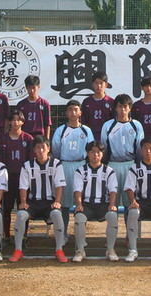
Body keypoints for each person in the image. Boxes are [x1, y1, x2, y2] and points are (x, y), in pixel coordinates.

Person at [10, 135, 68, 263]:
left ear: (48, 149)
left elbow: (60, 185)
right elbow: (23, 186)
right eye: (38, 148)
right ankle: (18, 250)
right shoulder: (27, 166)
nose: (41, 151)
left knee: (57, 214)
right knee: (20, 215)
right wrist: (23, 202)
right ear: (34, 150)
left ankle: (59, 249)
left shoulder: (56, 164)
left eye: (43, 147)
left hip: (49, 203)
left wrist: (57, 202)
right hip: (33, 203)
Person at [51, 100, 94, 243]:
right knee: (64, 203)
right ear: (66, 112)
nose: (73, 112)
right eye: (70, 109)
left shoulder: (86, 130)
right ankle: (63, 234)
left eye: (76, 109)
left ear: (80, 112)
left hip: (81, 166)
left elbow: (91, 149)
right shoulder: (60, 130)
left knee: (81, 201)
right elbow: (56, 150)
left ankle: (81, 236)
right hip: (65, 166)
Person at [72, 141, 119, 262]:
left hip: (103, 204)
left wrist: (112, 205)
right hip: (86, 205)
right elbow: (77, 190)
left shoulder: (109, 171)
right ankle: (80, 250)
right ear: (88, 153)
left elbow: (113, 190)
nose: (95, 155)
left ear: (102, 154)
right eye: (92, 152)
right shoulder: (80, 171)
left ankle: (110, 249)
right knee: (79, 217)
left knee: (113, 216)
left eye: (98, 152)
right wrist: (79, 204)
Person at [100, 94, 144, 206]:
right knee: (112, 200)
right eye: (120, 107)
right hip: (112, 165)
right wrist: (105, 165)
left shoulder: (136, 125)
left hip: (130, 165)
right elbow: (104, 148)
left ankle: (130, 218)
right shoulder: (107, 125)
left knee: (130, 201)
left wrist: (138, 166)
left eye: (125, 107)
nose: (123, 110)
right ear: (115, 108)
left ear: (130, 108)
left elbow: (139, 148)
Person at [0, 110, 33, 240]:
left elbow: (30, 161)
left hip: (23, 179)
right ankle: (6, 235)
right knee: (6, 207)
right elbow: (0, 162)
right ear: (9, 122)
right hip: (8, 178)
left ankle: (24, 236)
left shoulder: (28, 139)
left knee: (23, 206)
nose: (16, 122)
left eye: (18, 120)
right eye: (13, 119)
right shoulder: (3, 139)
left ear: (23, 122)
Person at [81, 71, 114, 142]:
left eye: (101, 83)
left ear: (106, 85)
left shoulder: (111, 102)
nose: (99, 86)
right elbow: (83, 121)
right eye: (96, 83)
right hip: (90, 136)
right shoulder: (86, 102)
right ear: (92, 84)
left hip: (107, 136)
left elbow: (114, 121)